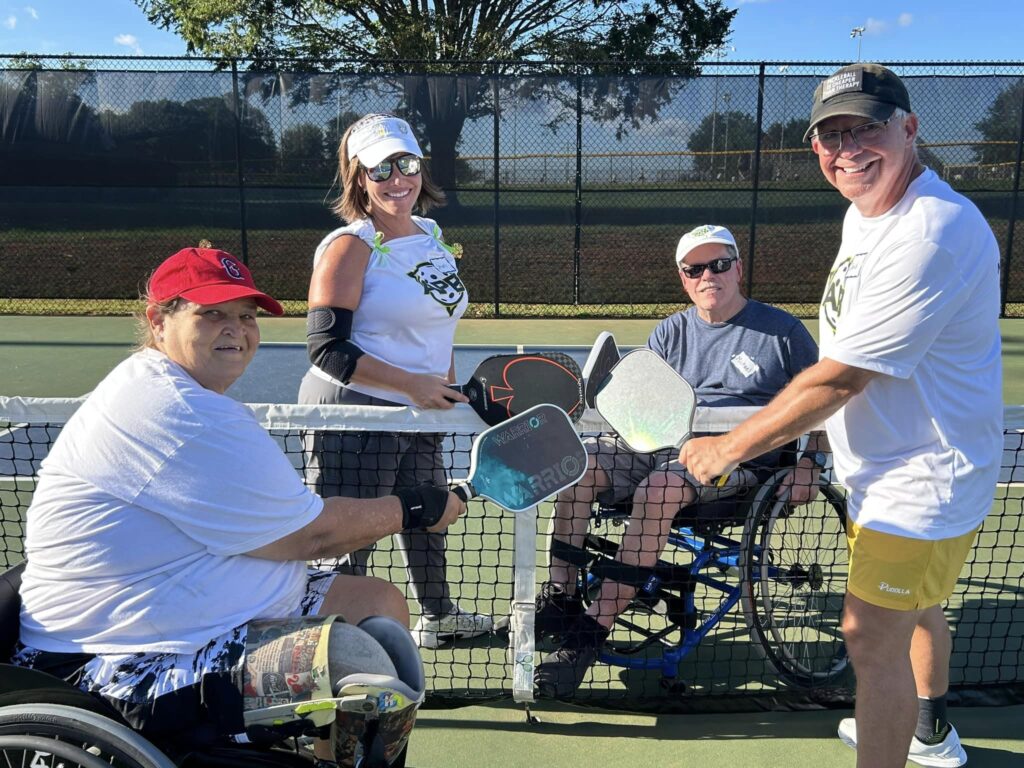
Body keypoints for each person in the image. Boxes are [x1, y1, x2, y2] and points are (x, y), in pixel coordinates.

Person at [13, 246, 466, 763]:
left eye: (247, 317)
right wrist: (414, 507)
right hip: (119, 659)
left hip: (183, 618)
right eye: (213, 315)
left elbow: (289, 530)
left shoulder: (179, 392)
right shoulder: (175, 411)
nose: (238, 330)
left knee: (378, 603)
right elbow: (310, 537)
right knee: (354, 660)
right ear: (158, 321)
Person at [679, 63, 1002, 768]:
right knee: (916, 608)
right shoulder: (869, 213)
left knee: (868, 641)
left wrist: (725, 447)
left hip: (920, 482)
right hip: (885, 469)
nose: (847, 148)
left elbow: (840, 377)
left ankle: (899, 734)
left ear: (908, 128)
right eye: (831, 135)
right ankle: (929, 729)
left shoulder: (931, 231)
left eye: (866, 128)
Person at [532, 224, 828, 698]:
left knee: (660, 489)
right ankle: (562, 597)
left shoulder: (784, 332)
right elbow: (642, 408)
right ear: (683, 278)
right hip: (659, 450)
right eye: (695, 268)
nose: (708, 275)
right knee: (577, 465)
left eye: (718, 264)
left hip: (739, 463)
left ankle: (588, 634)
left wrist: (811, 463)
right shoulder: (669, 332)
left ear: (738, 268)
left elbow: (823, 403)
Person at [297, 112, 492, 650]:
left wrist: (442, 391)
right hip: (355, 408)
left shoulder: (430, 234)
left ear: (420, 167)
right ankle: (319, 637)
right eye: (380, 169)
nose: (396, 179)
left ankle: (439, 616)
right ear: (358, 177)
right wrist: (412, 386)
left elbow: (439, 323)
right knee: (349, 529)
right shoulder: (349, 245)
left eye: (405, 163)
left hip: (420, 405)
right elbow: (327, 347)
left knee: (429, 510)